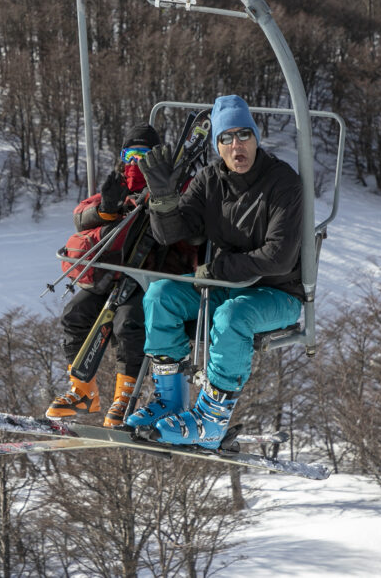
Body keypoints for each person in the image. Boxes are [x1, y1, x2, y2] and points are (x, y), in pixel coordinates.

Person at [124, 94, 304, 449]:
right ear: (217, 145)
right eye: (227, 138)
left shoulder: (283, 183)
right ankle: (170, 400)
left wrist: (218, 268)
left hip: (278, 293)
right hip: (224, 285)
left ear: (256, 138)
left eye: (244, 135)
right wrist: (162, 199)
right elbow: (170, 234)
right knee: (161, 296)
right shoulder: (210, 181)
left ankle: (212, 419)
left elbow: (278, 258)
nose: (237, 146)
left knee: (231, 315)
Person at [47, 124, 194, 427]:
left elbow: (182, 230)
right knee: (76, 312)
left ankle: (126, 395)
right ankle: (82, 390)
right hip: (112, 276)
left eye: (143, 155)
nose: (135, 162)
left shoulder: (172, 187)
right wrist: (108, 208)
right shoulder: (119, 189)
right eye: (130, 154)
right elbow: (81, 216)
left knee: (127, 321)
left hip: (150, 277)